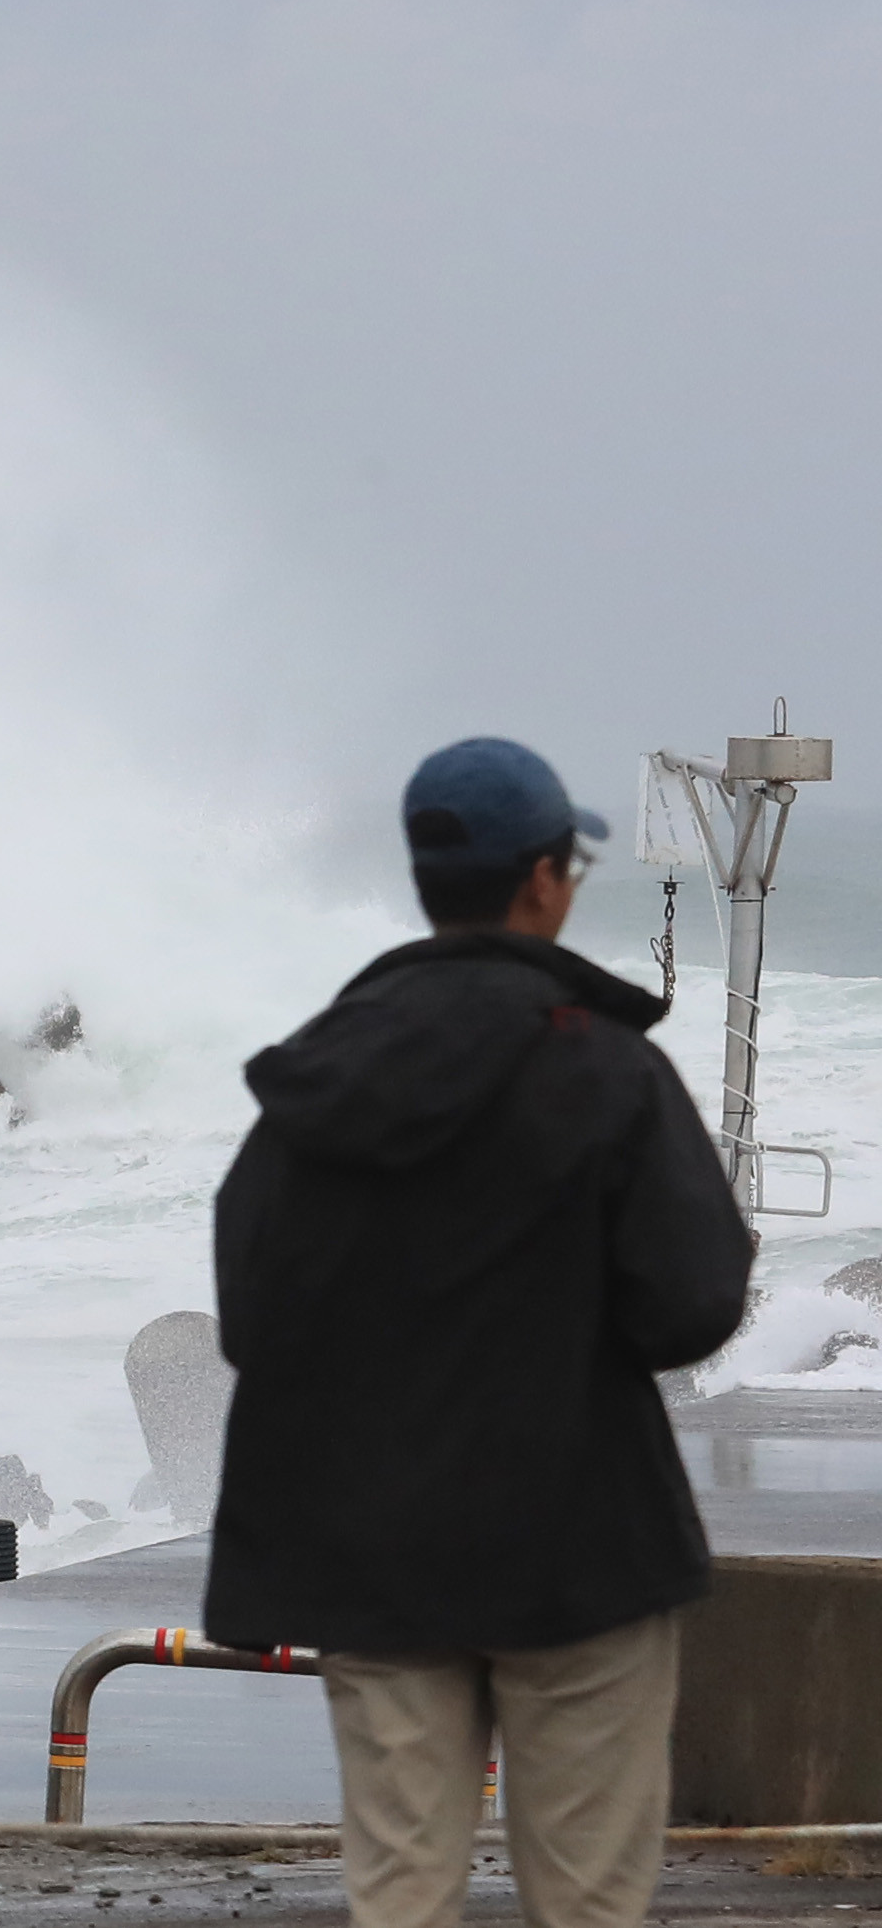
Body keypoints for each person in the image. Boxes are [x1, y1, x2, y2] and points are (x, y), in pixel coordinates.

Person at [204, 736, 752, 1928]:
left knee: (400, 1894)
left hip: (374, 1556)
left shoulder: (323, 1077)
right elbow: (695, 1303)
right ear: (546, 877)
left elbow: (252, 1316)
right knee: (590, 1901)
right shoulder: (604, 1069)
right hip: (583, 1548)